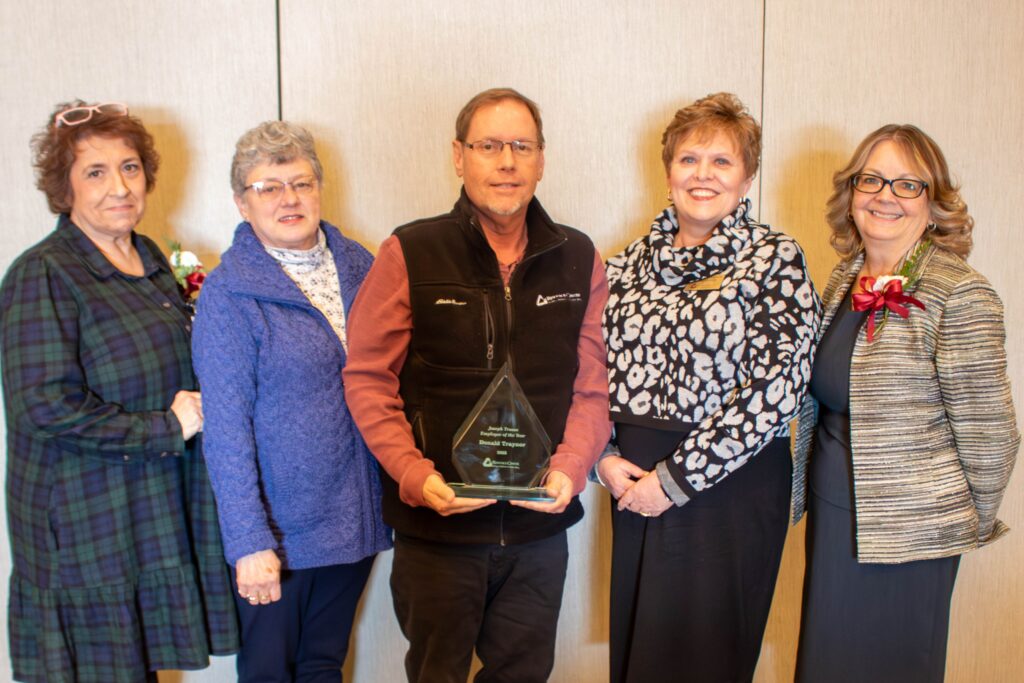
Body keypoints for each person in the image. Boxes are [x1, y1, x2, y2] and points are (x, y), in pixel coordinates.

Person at [343, 87, 610, 683]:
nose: (507, 162)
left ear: (542, 158)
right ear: (459, 157)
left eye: (521, 146)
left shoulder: (580, 257)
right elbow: (366, 378)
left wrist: (570, 465)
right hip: (438, 528)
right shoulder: (410, 250)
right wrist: (415, 476)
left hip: (538, 528)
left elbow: (593, 387)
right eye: (489, 146)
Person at [0, 101, 239, 683]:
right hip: (85, 524)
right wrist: (167, 427)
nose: (119, 187)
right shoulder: (44, 274)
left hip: (150, 508)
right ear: (65, 188)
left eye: (130, 168)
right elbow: (44, 407)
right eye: (96, 172)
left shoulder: (152, 257)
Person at [598, 92, 821, 683]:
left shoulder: (775, 259)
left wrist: (676, 480)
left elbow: (778, 386)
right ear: (668, 170)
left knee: (704, 660)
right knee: (641, 656)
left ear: (747, 177)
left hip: (728, 487)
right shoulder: (620, 267)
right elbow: (584, 373)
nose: (703, 175)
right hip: (633, 480)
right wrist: (603, 459)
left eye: (722, 161)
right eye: (689, 159)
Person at [793, 124, 1019, 683]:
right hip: (833, 513)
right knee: (826, 663)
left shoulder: (959, 290)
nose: (885, 196)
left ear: (934, 202)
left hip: (911, 535)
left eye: (907, 184)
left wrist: (948, 526)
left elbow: (992, 435)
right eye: (871, 179)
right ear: (852, 194)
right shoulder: (844, 278)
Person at [192, 121, 391, 682]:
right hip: (279, 535)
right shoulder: (230, 294)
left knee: (325, 665)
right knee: (269, 673)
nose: (288, 199)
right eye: (268, 187)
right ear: (242, 203)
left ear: (319, 188)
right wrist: (249, 542)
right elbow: (225, 430)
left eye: (300, 183)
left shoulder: (362, 267)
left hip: (356, 519)